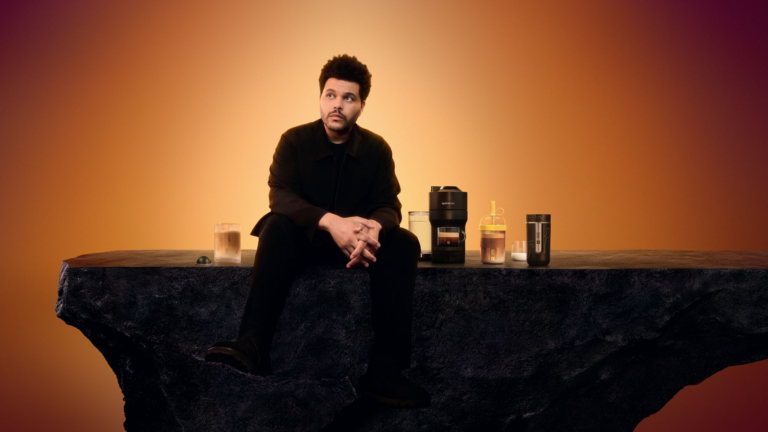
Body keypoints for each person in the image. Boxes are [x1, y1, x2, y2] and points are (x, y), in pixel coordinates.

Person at [205, 54, 430, 408]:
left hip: (358, 250)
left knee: (404, 242)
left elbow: (389, 205)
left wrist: (373, 228)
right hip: (303, 244)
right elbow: (280, 195)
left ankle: (384, 371)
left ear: (362, 105)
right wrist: (331, 222)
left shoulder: (377, 149)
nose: (337, 104)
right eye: (330, 95)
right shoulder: (294, 141)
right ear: (321, 97)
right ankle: (252, 344)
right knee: (275, 224)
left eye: (348, 97)